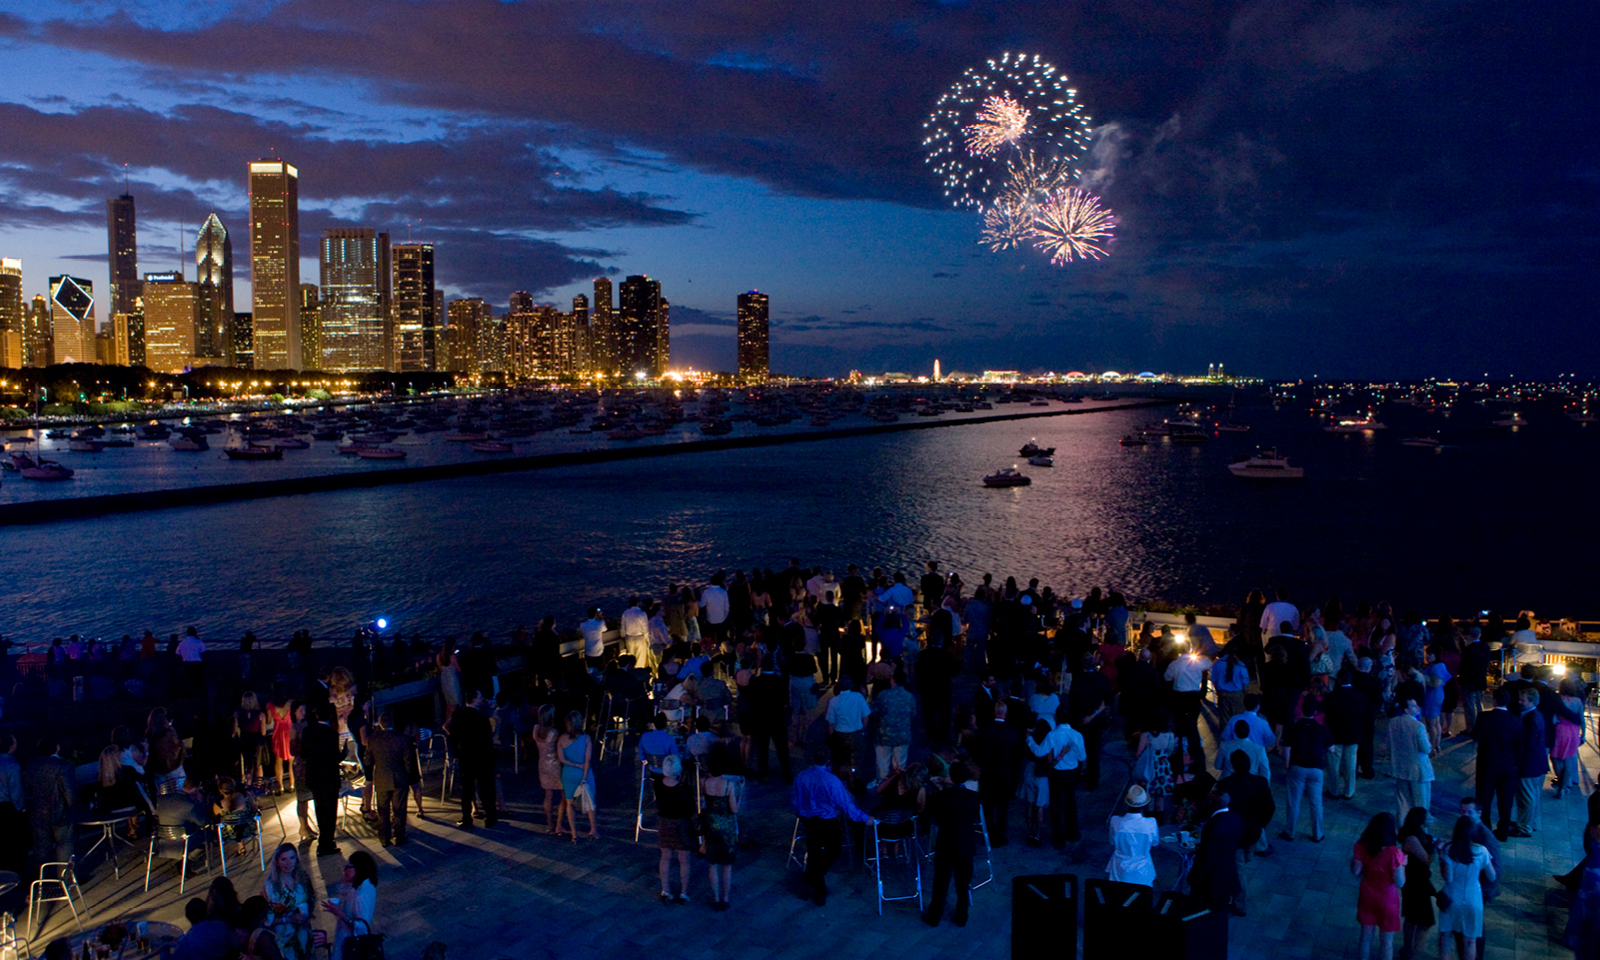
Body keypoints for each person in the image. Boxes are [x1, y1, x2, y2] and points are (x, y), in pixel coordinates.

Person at [791, 745, 874, 906]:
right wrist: (864, 818)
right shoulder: (831, 780)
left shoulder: (801, 777)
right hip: (826, 822)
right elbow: (845, 805)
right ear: (828, 761)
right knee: (834, 849)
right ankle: (815, 881)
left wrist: (801, 814)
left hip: (809, 821)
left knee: (815, 852)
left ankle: (814, 881)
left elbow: (795, 802)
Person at [922, 760, 982, 927]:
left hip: (946, 842)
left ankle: (934, 916)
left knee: (941, 881)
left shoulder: (940, 797)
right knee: (963, 883)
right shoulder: (974, 797)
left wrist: (942, 789)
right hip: (966, 843)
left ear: (951, 777)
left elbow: (933, 815)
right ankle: (962, 915)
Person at [1437, 815, 1495, 960]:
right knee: (1470, 941)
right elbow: (1492, 876)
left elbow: (1448, 879)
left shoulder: (1448, 850)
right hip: (1474, 898)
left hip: (1451, 897)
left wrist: (1440, 857)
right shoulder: (1482, 851)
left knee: (1446, 937)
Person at [1351, 812, 1407, 960]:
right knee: (1386, 941)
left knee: (1365, 937)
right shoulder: (1394, 853)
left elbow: (1356, 871)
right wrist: (1404, 865)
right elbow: (1400, 883)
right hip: (1387, 900)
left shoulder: (1362, 846)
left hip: (1367, 894)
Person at [1031, 705, 1086, 848]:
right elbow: (1082, 757)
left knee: (1056, 805)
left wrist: (1029, 740)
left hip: (1057, 773)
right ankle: (1072, 833)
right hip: (1071, 772)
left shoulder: (1052, 735)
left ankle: (1058, 838)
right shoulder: (1077, 735)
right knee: (1071, 803)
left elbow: (1039, 752)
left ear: (1057, 717)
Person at [1472, 687, 1520, 838]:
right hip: (1508, 766)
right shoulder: (1516, 720)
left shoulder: (1484, 717)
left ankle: (1485, 829)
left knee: (1484, 799)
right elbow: (1519, 745)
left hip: (1487, 764)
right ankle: (1503, 830)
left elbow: (1475, 736)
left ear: (1494, 700)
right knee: (1505, 800)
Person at [1189, 791, 1247, 916]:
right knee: (1220, 911)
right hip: (1228, 871)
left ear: (1213, 804)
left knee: (1204, 912)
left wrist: (1196, 877)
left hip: (1211, 878)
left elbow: (1209, 856)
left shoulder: (1214, 824)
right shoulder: (1235, 817)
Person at [448, 689, 497, 829]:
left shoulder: (458, 715)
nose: (482, 699)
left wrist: (457, 753)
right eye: (480, 697)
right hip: (482, 757)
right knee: (486, 788)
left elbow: (453, 736)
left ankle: (466, 818)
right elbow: (487, 738)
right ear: (475, 699)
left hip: (466, 757)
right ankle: (490, 817)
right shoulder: (481, 717)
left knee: (467, 790)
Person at [700, 745, 741, 912]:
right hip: (726, 826)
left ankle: (716, 898)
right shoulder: (728, 784)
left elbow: (705, 803)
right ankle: (725, 898)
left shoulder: (706, 783)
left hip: (710, 824)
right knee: (727, 864)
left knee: (713, 864)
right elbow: (734, 809)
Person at [1281, 709, 1332, 842]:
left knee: (1293, 801)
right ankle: (1318, 834)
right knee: (1316, 803)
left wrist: (1287, 766)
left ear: (1302, 710)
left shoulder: (1294, 727)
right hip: (1316, 769)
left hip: (1297, 767)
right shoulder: (1321, 729)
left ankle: (1290, 832)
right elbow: (1331, 748)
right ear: (1315, 712)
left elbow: (1286, 750)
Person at [23, 736, 75, 865]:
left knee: (41, 849)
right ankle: (64, 880)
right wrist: (73, 809)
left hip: (38, 814)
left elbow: (26, 792)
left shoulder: (30, 767)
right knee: (64, 846)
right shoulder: (64, 766)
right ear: (57, 747)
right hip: (61, 814)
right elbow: (69, 793)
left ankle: (42, 880)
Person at [366, 711, 415, 846]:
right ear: (392, 722)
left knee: (383, 809)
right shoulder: (402, 738)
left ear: (380, 723)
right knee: (399, 809)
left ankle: (384, 837)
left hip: (382, 777)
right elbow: (408, 761)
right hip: (400, 776)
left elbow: (368, 762)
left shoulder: (373, 739)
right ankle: (399, 836)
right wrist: (409, 776)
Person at [300, 703, 342, 857]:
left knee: (320, 809)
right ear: (330, 716)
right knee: (330, 811)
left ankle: (323, 843)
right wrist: (343, 754)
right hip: (329, 778)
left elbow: (304, 754)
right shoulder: (332, 734)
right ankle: (328, 842)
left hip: (315, 777)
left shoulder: (307, 731)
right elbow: (334, 758)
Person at [652, 755, 695, 904]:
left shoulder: (658, 784)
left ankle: (665, 889)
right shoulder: (684, 788)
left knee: (665, 857)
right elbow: (691, 809)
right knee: (684, 860)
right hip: (681, 825)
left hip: (664, 823)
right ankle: (683, 892)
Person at [1217, 749, 1275, 859]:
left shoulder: (1225, 784)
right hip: (1253, 830)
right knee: (1246, 857)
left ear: (1233, 766)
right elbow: (1270, 807)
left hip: (1234, 830)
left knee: (1238, 862)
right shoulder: (1261, 782)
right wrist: (1261, 824)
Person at [262, 843, 315, 960]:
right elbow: (266, 920)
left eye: (292, 858)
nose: (288, 863)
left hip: (304, 933)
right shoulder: (270, 887)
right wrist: (288, 919)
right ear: (277, 862)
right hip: (284, 938)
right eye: (284, 859)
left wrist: (307, 914)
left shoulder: (303, 878)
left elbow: (311, 900)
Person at [1397, 807, 1437, 960]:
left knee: (1412, 918)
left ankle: (1408, 951)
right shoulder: (1412, 838)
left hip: (1417, 880)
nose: (1431, 818)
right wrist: (1436, 847)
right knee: (1424, 921)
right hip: (1416, 883)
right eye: (1428, 816)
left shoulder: (1417, 833)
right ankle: (1412, 953)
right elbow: (1426, 859)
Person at [322, 851, 377, 959]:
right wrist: (344, 883)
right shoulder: (363, 884)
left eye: (348, 867)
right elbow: (347, 894)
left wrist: (340, 914)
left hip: (351, 944)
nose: (344, 870)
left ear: (359, 868)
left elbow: (362, 927)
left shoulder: (362, 895)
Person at [1389, 697, 1434, 822]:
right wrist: (1429, 741)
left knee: (1403, 804)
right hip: (1418, 770)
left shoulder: (1393, 722)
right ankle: (1420, 833)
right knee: (1421, 805)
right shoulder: (1418, 726)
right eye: (1414, 706)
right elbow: (1425, 749)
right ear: (1407, 710)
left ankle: (1402, 831)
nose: (1417, 707)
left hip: (1400, 768)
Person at [1107, 784, 1160, 887]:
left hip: (1119, 868)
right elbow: (1155, 843)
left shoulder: (1115, 821)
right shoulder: (1151, 823)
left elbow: (1112, 841)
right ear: (1144, 805)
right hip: (1143, 870)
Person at [557, 710, 598, 840]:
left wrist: (573, 765)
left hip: (568, 773)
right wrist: (584, 776)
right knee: (589, 801)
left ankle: (574, 834)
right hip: (583, 773)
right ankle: (593, 829)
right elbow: (588, 759)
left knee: (569, 803)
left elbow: (561, 759)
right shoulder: (586, 738)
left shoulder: (561, 739)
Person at [1513, 686, 1547, 837]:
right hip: (1535, 763)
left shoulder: (1530, 719)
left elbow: (1527, 744)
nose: (1520, 702)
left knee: (1526, 797)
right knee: (1532, 794)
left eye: (1523, 700)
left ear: (1531, 702)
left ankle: (1524, 827)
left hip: (1528, 764)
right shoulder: (1536, 715)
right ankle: (1529, 823)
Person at [871, 668, 916, 780]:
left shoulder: (883, 695)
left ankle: (882, 787)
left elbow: (874, 713)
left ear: (892, 680)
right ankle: (898, 787)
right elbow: (913, 714)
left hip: (883, 735)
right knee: (900, 765)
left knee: (882, 764)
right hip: (902, 735)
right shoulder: (909, 696)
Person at [533, 704, 564, 833]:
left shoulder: (536, 729)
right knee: (563, 795)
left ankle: (549, 824)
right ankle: (559, 824)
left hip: (542, 763)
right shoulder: (554, 732)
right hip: (555, 764)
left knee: (548, 795)